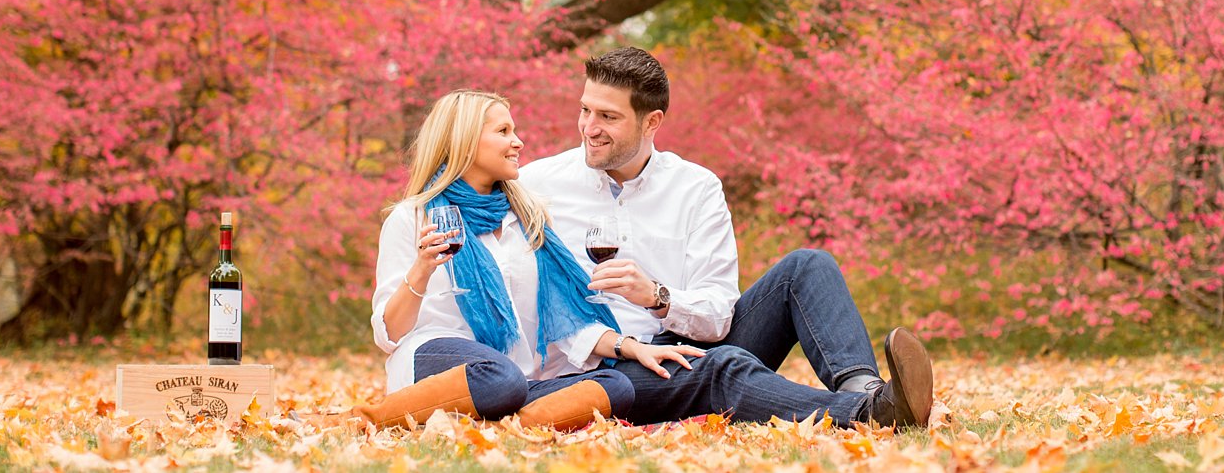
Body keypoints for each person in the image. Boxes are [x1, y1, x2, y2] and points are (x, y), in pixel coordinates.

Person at [519, 48, 934, 429]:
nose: (589, 128)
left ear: (652, 122)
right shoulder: (539, 186)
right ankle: (870, 416)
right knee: (723, 365)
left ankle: (864, 389)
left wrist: (658, 297)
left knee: (808, 266)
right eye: (585, 110)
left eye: (608, 117)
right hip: (606, 369)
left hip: (691, 343)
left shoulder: (695, 187)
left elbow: (719, 314)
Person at [354, 89, 705, 431]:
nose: (518, 142)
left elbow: (562, 316)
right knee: (499, 376)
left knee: (616, 386)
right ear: (464, 141)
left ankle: (500, 426)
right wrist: (421, 271)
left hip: (515, 379)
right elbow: (389, 335)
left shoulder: (527, 219)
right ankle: (370, 419)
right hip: (437, 360)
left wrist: (631, 347)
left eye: (515, 131)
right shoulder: (412, 218)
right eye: (503, 132)